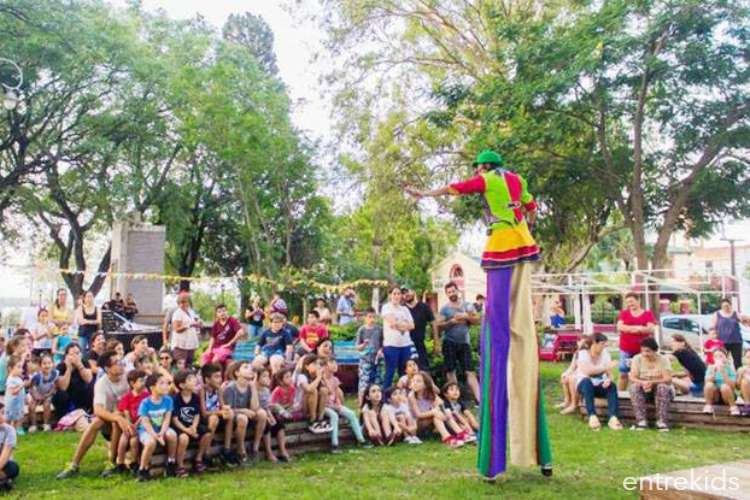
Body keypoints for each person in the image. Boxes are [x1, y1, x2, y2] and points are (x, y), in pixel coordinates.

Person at [407, 149, 552, 478]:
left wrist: (424, 194)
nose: (478, 172)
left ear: (485, 166)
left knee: (497, 329)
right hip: (523, 246)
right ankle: (540, 456)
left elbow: (455, 188)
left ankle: (494, 462)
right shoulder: (517, 180)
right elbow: (531, 208)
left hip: (502, 245)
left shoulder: (488, 179)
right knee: (521, 324)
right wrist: (525, 227)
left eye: (479, 167)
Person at [57, 350, 131, 479]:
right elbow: (98, 410)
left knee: (115, 419)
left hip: (131, 421)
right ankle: (74, 465)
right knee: (97, 422)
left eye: (121, 361)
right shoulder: (101, 384)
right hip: (112, 424)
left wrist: (120, 417)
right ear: (107, 369)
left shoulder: (129, 377)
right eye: (117, 362)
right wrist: (117, 417)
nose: (121, 364)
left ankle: (112, 463)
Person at [437, 282, 481, 403]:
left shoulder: (468, 306)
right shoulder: (445, 309)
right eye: (449, 292)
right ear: (446, 294)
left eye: (453, 291)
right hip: (449, 343)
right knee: (451, 372)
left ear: (457, 291)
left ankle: (480, 399)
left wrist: (466, 316)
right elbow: (438, 326)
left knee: (470, 371)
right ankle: (455, 400)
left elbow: (477, 320)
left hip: (464, 343)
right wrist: (451, 322)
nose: (452, 294)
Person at [221, 361, 268, 464]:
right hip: (233, 417)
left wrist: (253, 388)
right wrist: (243, 410)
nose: (250, 369)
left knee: (262, 414)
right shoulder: (230, 388)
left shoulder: (250, 386)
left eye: (250, 367)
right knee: (243, 418)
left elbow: (255, 408)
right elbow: (228, 410)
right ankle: (240, 449)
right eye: (246, 367)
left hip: (248, 414)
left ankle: (255, 448)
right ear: (237, 373)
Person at [575, 333, 622, 431]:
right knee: (587, 382)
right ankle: (592, 416)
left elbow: (610, 374)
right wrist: (605, 367)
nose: (604, 346)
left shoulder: (605, 354)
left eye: (605, 344)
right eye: (602, 344)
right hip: (584, 385)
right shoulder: (583, 353)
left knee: (612, 386)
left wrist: (609, 380)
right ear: (594, 343)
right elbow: (588, 371)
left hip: (600, 384)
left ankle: (613, 417)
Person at [321, 357, 369, 453]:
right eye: (332, 362)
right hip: (324, 406)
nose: (335, 365)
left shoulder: (335, 379)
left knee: (351, 414)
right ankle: (334, 444)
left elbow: (336, 395)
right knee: (334, 416)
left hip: (334, 405)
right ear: (325, 366)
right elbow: (329, 392)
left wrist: (338, 404)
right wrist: (324, 378)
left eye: (335, 363)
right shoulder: (321, 379)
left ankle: (361, 439)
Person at [136, 373, 178, 481]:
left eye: (167, 383)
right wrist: (156, 436)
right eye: (162, 383)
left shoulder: (168, 400)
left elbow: (167, 419)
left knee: (172, 435)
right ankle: (143, 469)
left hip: (161, 429)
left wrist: (162, 433)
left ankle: (171, 462)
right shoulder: (145, 403)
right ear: (152, 387)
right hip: (147, 431)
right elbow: (145, 423)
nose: (166, 386)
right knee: (150, 443)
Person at [408, 371, 467, 448]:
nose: (415, 383)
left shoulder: (429, 393)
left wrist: (444, 412)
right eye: (413, 381)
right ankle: (447, 438)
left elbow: (441, 403)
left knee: (446, 411)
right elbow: (418, 415)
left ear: (425, 384)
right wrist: (433, 412)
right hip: (416, 425)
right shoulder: (411, 395)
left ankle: (461, 433)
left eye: (418, 381)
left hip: (428, 422)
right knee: (435, 415)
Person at [171, 370, 211, 476]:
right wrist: (186, 430)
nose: (194, 380)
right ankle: (179, 465)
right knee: (184, 438)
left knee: (207, 434)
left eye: (194, 378)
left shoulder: (195, 397)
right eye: (190, 379)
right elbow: (175, 420)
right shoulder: (175, 399)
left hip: (192, 425)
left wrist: (194, 426)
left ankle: (198, 458)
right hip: (180, 426)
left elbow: (197, 415)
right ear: (182, 385)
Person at [629, 337, 673, 431]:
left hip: (661, 388)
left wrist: (652, 382)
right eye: (643, 351)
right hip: (644, 387)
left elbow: (668, 379)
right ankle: (641, 421)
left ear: (655, 351)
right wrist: (643, 383)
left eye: (648, 351)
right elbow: (632, 377)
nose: (645, 354)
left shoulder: (663, 360)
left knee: (662, 387)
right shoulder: (637, 359)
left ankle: (661, 421)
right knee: (634, 387)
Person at [616, 293, 656, 390]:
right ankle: (620, 394)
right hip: (626, 349)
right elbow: (620, 327)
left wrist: (629, 328)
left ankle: (640, 393)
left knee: (641, 374)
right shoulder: (624, 313)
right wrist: (639, 328)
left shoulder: (647, 314)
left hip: (642, 350)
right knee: (623, 373)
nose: (629, 304)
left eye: (631, 301)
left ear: (638, 300)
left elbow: (650, 329)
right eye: (627, 302)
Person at [381, 287, 415, 390]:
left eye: (399, 294)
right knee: (390, 372)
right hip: (391, 345)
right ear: (390, 295)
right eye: (394, 293)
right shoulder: (386, 307)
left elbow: (412, 326)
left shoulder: (405, 309)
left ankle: (404, 395)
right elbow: (392, 322)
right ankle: (385, 396)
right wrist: (404, 325)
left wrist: (398, 325)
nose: (396, 296)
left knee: (404, 373)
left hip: (405, 345)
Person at [115, 369, 148, 475]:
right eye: (141, 381)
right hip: (130, 424)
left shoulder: (147, 396)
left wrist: (136, 425)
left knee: (134, 441)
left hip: (141, 424)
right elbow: (126, 412)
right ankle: (120, 463)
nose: (144, 383)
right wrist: (130, 425)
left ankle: (134, 463)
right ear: (132, 383)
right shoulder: (127, 397)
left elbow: (144, 414)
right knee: (124, 438)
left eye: (144, 380)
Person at [199, 363, 230, 468]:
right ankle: (207, 453)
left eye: (220, 376)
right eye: (216, 377)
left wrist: (225, 410)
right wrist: (220, 412)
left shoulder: (219, 389)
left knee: (230, 414)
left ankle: (227, 448)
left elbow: (222, 406)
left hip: (216, 416)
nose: (219, 379)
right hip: (205, 419)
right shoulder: (202, 390)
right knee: (214, 418)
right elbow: (204, 413)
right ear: (207, 379)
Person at [52, 343, 94, 421]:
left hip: (81, 395)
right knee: (61, 394)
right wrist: (68, 369)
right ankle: (62, 418)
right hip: (67, 396)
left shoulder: (84, 363)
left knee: (91, 388)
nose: (76, 356)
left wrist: (79, 365)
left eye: (77, 353)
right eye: (72, 354)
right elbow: (63, 387)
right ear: (66, 356)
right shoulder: (61, 366)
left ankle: (88, 413)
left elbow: (89, 379)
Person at [256, 368, 290, 463]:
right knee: (267, 424)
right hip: (258, 414)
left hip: (267, 412)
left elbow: (267, 405)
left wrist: (271, 415)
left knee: (279, 423)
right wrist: (268, 416)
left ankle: (282, 450)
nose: (268, 378)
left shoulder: (266, 390)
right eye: (264, 376)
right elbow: (257, 406)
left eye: (268, 376)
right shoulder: (253, 390)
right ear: (257, 378)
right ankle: (269, 452)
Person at [294, 355, 332, 434]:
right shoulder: (302, 376)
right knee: (313, 391)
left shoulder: (317, 376)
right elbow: (308, 389)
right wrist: (318, 378)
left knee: (324, 390)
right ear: (307, 367)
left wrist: (323, 378)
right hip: (301, 406)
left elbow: (330, 392)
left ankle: (320, 419)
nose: (317, 366)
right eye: (314, 364)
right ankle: (312, 421)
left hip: (315, 405)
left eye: (318, 364)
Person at [403, 287, 438, 371]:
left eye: (408, 291)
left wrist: (436, 342)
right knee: (406, 372)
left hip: (420, 345)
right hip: (405, 346)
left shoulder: (424, 307)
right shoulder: (401, 309)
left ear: (413, 291)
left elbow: (433, 323)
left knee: (424, 371)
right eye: (403, 293)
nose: (406, 294)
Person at [711, 298, 750, 370]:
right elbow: (713, 327)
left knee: (738, 362)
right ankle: (723, 374)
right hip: (722, 342)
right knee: (721, 360)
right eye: (724, 306)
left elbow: (744, 321)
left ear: (730, 305)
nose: (726, 307)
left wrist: (746, 319)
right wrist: (713, 339)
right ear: (721, 306)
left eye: (727, 306)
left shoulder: (735, 313)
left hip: (736, 341)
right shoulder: (717, 314)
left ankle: (739, 375)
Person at [355, 307, 383, 405]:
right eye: (370, 317)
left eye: (374, 317)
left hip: (377, 360)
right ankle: (361, 404)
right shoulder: (361, 330)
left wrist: (381, 351)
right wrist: (364, 344)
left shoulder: (379, 329)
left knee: (377, 382)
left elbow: (383, 344)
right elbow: (358, 347)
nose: (372, 319)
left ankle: (376, 403)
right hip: (365, 360)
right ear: (365, 318)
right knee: (363, 383)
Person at [703, 348, 739, 415]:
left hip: (727, 396)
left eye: (721, 356)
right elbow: (706, 383)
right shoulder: (710, 368)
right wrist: (713, 372)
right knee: (709, 385)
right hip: (715, 395)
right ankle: (708, 405)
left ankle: (733, 407)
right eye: (716, 356)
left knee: (724, 386)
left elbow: (732, 386)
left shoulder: (730, 368)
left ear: (726, 358)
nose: (718, 358)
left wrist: (723, 372)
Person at [28, 353, 59, 432]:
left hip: (47, 394)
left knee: (47, 404)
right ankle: (33, 425)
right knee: (32, 406)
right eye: (44, 363)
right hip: (37, 394)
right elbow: (31, 388)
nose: (47, 365)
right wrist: (36, 396)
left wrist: (48, 394)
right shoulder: (37, 376)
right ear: (40, 366)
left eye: (49, 363)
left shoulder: (55, 374)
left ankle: (46, 424)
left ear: (53, 364)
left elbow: (54, 386)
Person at [170, 293, 201, 367]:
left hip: (190, 345)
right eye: (179, 302)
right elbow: (176, 329)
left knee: (189, 366)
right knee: (181, 367)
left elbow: (195, 323)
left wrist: (199, 324)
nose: (182, 304)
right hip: (180, 346)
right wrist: (189, 325)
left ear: (188, 302)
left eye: (184, 302)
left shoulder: (191, 312)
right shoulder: (177, 313)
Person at [558, 338, 586, 415]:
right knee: (565, 376)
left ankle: (574, 404)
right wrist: (566, 373)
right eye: (580, 341)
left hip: (583, 374)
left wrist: (573, 374)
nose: (580, 342)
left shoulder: (587, 353)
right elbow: (572, 367)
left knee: (572, 378)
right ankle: (567, 401)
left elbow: (583, 369)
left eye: (583, 341)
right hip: (577, 373)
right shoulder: (577, 353)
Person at [0, 403, 20, 492]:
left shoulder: (9, 430)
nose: (2, 415)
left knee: (13, 468)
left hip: (3, 463)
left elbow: (5, 455)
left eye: (2, 412)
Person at [4, 357, 25, 435]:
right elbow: (12, 392)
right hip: (11, 404)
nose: (21, 369)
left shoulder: (18, 378)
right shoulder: (10, 379)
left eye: (21, 367)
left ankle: (16, 429)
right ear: (10, 368)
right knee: (9, 418)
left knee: (18, 416)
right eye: (18, 367)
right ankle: (6, 431)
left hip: (18, 403)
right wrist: (21, 386)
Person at [75, 291, 101, 355]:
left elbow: (99, 321)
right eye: (88, 296)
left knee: (93, 351)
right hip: (83, 333)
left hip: (94, 333)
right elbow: (81, 321)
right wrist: (93, 321)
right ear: (84, 298)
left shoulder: (97, 309)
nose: (90, 298)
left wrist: (87, 321)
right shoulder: (81, 308)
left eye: (91, 296)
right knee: (81, 351)